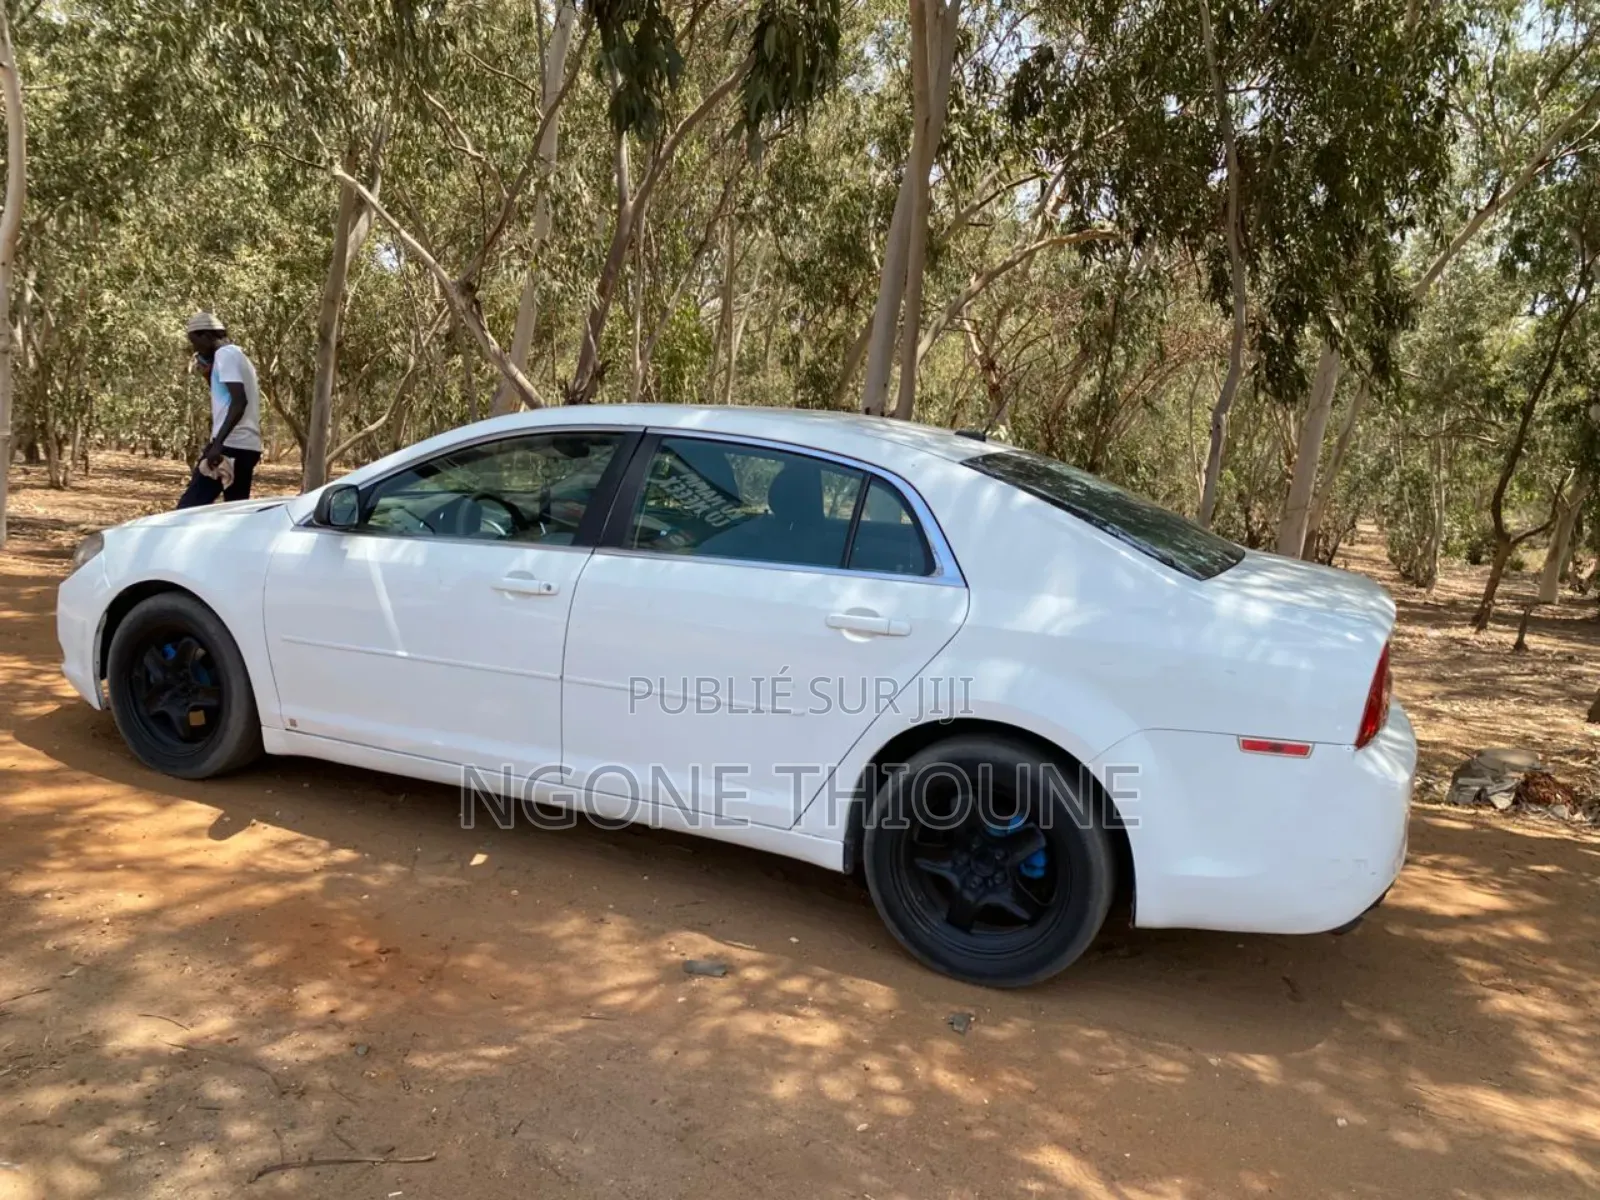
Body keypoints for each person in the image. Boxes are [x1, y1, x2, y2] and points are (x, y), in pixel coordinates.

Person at [176, 311, 263, 509]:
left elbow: (239, 402)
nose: (195, 348)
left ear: (206, 335)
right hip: (247, 446)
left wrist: (218, 444)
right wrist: (208, 376)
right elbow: (226, 397)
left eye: (195, 342)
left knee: (188, 509)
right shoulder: (238, 355)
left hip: (230, 446)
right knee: (235, 512)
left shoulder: (225, 355)